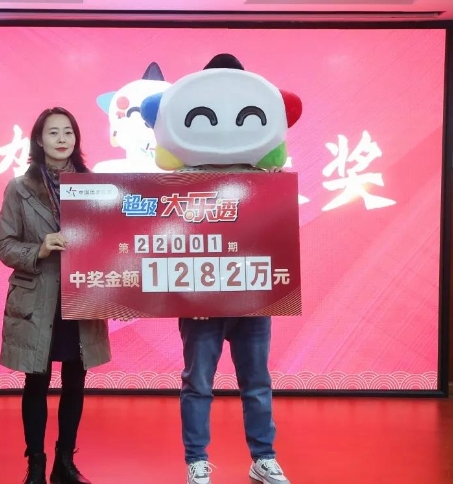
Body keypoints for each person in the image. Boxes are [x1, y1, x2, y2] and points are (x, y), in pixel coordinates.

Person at [179, 54, 291, 484]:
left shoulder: (265, 175)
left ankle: (263, 458)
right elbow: (171, 243)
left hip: (252, 299)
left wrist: (275, 186)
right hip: (201, 303)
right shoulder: (183, 177)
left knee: (257, 383)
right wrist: (189, 295)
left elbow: (275, 238)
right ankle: (196, 461)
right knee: (198, 384)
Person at [0, 107, 111, 484]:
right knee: (37, 382)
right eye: (53, 132)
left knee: (75, 381)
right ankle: (36, 465)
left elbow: (113, 243)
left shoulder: (96, 187)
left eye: (68, 132)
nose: (62, 139)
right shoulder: (20, 188)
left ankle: (65, 463)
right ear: (39, 140)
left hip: (82, 296)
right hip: (38, 300)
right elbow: (3, 245)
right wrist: (40, 248)